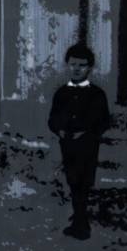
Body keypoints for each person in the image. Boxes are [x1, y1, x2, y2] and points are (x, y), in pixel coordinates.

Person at [47, 44, 110, 240]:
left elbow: (103, 121)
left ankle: (81, 224)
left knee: (84, 181)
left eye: (82, 65)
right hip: (67, 145)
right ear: (67, 65)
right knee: (72, 180)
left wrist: (85, 133)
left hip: (88, 146)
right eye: (73, 64)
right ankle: (79, 215)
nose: (76, 69)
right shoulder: (61, 93)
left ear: (90, 68)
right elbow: (52, 119)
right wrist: (60, 130)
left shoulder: (97, 94)